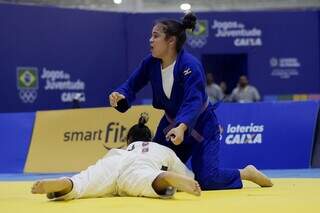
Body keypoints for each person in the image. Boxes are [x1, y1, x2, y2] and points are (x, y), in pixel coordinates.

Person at [109, 12, 273, 190]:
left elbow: (193, 101)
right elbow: (132, 84)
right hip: (171, 124)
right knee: (154, 168)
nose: (150, 40)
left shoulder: (190, 65)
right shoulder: (151, 63)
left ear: (171, 41)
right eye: (151, 36)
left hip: (202, 125)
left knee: (207, 180)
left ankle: (245, 173)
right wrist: (120, 94)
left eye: (156, 36)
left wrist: (181, 126)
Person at [31, 114, 201, 200]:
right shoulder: (162, 149)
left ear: (128, 140)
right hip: (142, 166)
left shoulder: (122, 150)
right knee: (149, 180)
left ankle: (67, 183)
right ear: (149, 139)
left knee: (84, 181)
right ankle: (163, 178)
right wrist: (184, 179)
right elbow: (187, 176)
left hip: (115, 160)